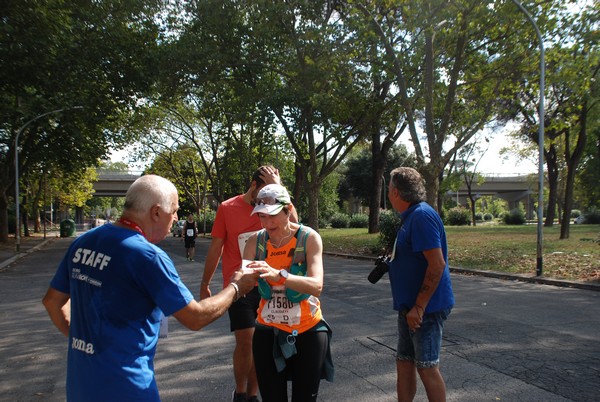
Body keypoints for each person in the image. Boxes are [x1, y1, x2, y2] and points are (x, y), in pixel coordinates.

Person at [42, 174, 259, 402]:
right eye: (173, 210)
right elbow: (196, 317)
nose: (176, 218)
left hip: (80, 383)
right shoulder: (147, 256)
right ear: (156, 212)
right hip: (128, 387)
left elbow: (52, 301)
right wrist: (236, 286)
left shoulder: (84, 241)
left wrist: (82, 340)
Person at [200, 165, 297, 402]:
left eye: (274, 196)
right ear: (253, 186)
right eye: (264, 193)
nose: (267, 202)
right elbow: (216, 247)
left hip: (270, 286)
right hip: (240, 285)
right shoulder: (227, 208)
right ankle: (240, 392)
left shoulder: (276, 206)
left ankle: (252, 395)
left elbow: (296, 229)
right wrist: (205, 283)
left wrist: (280, 187)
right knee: (246, 342)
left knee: (261, 345)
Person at [244, 184, 333, 402]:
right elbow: (244, 282)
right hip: (267, 329)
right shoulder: (255, 241)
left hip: (308, 330)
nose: (266, 223)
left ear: (288, 209)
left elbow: (316, 286)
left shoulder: (308, 238)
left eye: (272, 215)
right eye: (261, 217)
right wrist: (240, 282)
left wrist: (280, 276)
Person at [386, 167, 454, 402]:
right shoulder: (411, 217)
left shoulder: (421, 216)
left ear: (395, 192)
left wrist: (420, 307)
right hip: (409, 307)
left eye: (388, 189)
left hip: (425, 309)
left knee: (426, 366)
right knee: (404, 362)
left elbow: (437, 265)